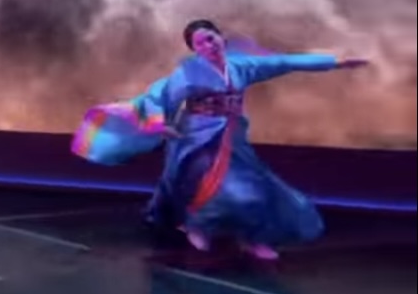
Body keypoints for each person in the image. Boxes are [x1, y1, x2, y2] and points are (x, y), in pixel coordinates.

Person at [71, 18, 368, 260]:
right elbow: (157, 96)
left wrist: (334, 62)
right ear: (195, 49)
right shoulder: (189, 73)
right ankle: (198, 227)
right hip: (197, 138)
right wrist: (159, 124)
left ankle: (252, 238)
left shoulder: (241, 67)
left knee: (256, 190)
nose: (208, 45)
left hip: (233, 138)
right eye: (201, 43)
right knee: (219, 189)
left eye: (211, 38)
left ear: (221, 38)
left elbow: (284, 62)